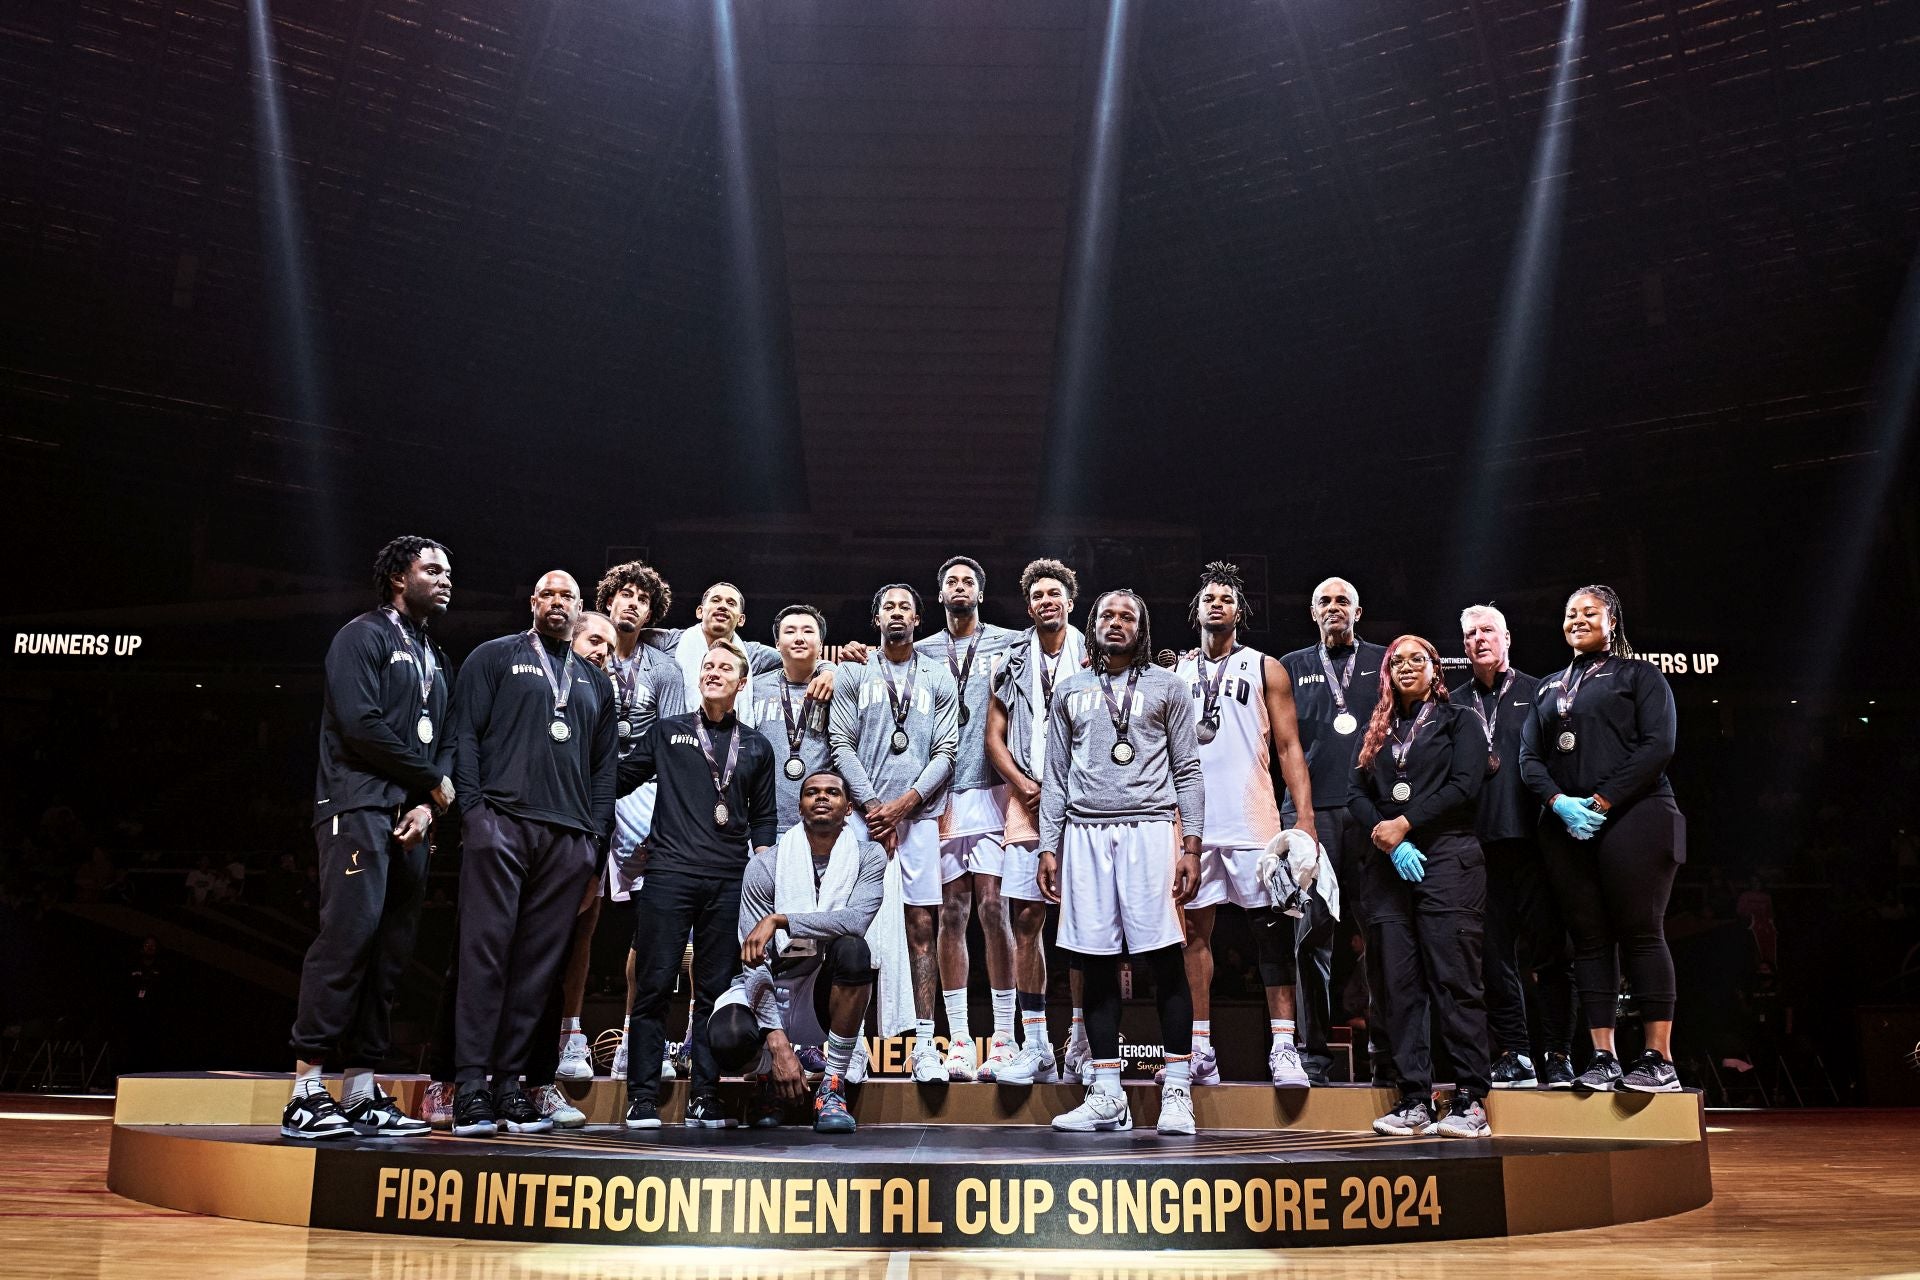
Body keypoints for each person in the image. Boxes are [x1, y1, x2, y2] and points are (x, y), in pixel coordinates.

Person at [283, 535, 453, 1140]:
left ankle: (359, 1088)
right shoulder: (362, 636)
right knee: (347, 941)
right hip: (355, 806)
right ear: (397, 578)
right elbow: (361, 725)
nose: (444, 578)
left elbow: (447, 737)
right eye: (431, 569)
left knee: (391, 955)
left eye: (447, 570)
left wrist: (429, 807)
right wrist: (432, 781)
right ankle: (305, 1091)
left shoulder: (435, 652)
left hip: (409, 820)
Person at [447, 570, 616, 1138]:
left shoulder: (595, 681)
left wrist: (594, 841)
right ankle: (470, 1085)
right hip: (502, 823)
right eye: (549, 594)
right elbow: (464, 736)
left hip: (567, 839)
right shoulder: (492, 657)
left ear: (580, 608)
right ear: (533, 602)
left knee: (538, 970)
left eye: (569, 597)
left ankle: (511, 1086)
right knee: (485, 957)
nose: (558, 604)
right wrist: (473, 814)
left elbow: (603, 768)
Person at [1037, 589, 1206, 1135]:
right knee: (1096, 962)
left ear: (1142, 628)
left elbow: (1189, 772)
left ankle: (1177, 1092)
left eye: (1127, 615)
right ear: (1093, 623)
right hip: (1084, 833)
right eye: (1107, 614)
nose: (1116, 622)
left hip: (1151, 830)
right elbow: (1056, 777)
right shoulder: (1070, 689)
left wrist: (1191, 846)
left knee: (1163, 960)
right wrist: (1048, 845)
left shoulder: (1167, 686)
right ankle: (1107, 1095)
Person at [1519, 585, 1686, 1093]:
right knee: (1588, 941)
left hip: (1637, 815)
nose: (1577, 620)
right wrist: (1558, 803)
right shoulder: (1549, 686)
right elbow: (1530, 758)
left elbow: (1659, 745)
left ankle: (1659, 1058)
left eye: (1589, 612)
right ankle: (1602, 1056)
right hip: (1567, 827)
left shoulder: (1640, 676)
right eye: (1570, 613)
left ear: (1612, 620)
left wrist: (1601, 801)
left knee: (1640, 931)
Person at [615, 640, 778, 1129]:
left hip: (729, 882)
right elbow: (623, 776)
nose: (713, 672)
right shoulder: (668, 732)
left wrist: (762, 881)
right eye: (708, 666)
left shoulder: (757, 745)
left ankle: (705, 1095)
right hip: (668, 876)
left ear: (742, 682)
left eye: (725, 667)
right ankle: (643, 1096)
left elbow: (765, 821)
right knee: (654, 987)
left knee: (712, 992)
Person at [1172, 562, 1321, 1089]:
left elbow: (1288, 747)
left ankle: (1284, 1047)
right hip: (1191, 825)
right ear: (1196, 610)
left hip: (1254, 819)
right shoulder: (1174, 674)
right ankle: (1200, 1047)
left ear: (1240, 612)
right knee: (1193, 934)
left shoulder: (1267, 668)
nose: (1217, 604)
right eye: (1208, 597)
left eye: (1227, 599)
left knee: (1272, 935)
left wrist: (1303, 818)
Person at [1349, 635, 1493, 1139]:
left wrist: (1405, 824)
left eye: (1418, 659)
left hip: (1448, 857)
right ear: (1387, 672)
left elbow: (1464, 786)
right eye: (1398, 661)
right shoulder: (1379, 729)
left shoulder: (1461, 721)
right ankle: (1414, 1097)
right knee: (1398, 986)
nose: (1407, 667)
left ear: (1436, 669)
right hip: (1388, 867)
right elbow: (1355, 793)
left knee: (1454, 980)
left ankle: (1471, 1098)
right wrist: (1387, 838)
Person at [710, 769, 898, 1134]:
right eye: (813, 792)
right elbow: (754, 961)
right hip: (770, 983)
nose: (822, 797)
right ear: (799, 807)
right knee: (727, 1037)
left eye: (832, 792)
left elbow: (855, 921)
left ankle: (831, 1087)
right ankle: (768, 1080)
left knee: (854, 951)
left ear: (848, 808)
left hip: (819, 989)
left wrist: (781, 920)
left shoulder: (869, 856)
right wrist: (779, 1045)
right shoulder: (764, 866)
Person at [828, 584, 960, 1082]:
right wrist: (873, 809)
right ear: (876, 619)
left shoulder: (938, 677)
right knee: (854, 931)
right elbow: (840, 744)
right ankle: (852, 1045)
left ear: (919, 620)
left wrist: (903, 807)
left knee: (922, 927)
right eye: (889, 607)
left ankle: (926, 1046)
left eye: (906, 606)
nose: (898, 614)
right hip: (862, 822)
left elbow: (946, 752)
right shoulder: (853, 674)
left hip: (919, 819)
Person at [1452, 604, 1575, 1089]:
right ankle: (1517, 1054)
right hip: (1480, 847)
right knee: (1493, 958)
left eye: (1488, 631)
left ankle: (1560, 1054)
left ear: (1507, 638)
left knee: (1550, 953)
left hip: (1537, 844)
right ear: (1463, 646)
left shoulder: (1541, 691)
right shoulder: (1453, 703)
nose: (1479, 639)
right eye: (1470, 634)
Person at [1278, 577, 1391, 1083]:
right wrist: (1292, 820)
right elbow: (1277, 745)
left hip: (1371, 815)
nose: (1333, 608)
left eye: (1343, 600)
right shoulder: (1290, 666)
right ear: (1312, 610)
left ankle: (1387, 1052)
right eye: (1324, 600)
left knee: (1383, 935)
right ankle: (1313, 1054)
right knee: (1311, 935)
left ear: (1358, 611)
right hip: (1311, 815)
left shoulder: (1387, 661)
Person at [915, 557, 1022, 1081]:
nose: (959, 588)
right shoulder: (920, 651)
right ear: (939, 596)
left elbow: (1062, 645)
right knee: (951, 912)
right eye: (950, 581)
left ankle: (1004, 1038)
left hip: (993, 789)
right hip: (940, 794)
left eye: (967, 581)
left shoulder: (1010, 642)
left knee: (995, 908)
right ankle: (957, 1039)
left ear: (981, 591)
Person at [985, 558, 1087, 1085]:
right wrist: (1024, 786)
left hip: (1087, 804)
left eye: (1056, 594)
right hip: (1026, 803)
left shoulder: (1092, 654)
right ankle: (1036, 1043)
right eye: (1038, 595)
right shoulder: (1011, 660)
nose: (1047, 601)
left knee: (1089, 925)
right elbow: (993, 737)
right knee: (1026, 920)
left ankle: (1084, 1042)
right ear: (1029, 607)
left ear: (1070, 602)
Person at [591, 560, 690, 1087]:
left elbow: (674, 746)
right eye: (623, 594)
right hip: (586, 788)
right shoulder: (586, 654)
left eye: (642, 599)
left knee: (649, 929)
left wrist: (667, 822)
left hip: (643, 794)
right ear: (607, 601)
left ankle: (634, 1037)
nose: (631, 603)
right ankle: (565, 1039)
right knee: (575, 919)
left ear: (652, 613)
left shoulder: (665, 669)